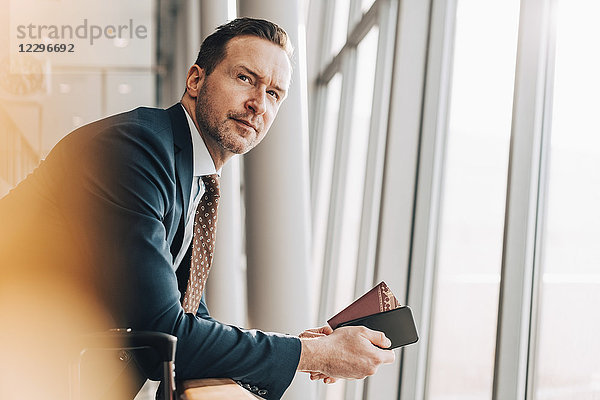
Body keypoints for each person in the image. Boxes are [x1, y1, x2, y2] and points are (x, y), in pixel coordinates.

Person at [0, 17, 394, 399]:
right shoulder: (134, 151)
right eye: (245, 78)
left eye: (274, 93)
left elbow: (189, 314)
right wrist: (313, 354)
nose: (258, 104)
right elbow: (164, 334)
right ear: (195, 80)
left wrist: (297, 349)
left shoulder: (190, 174)